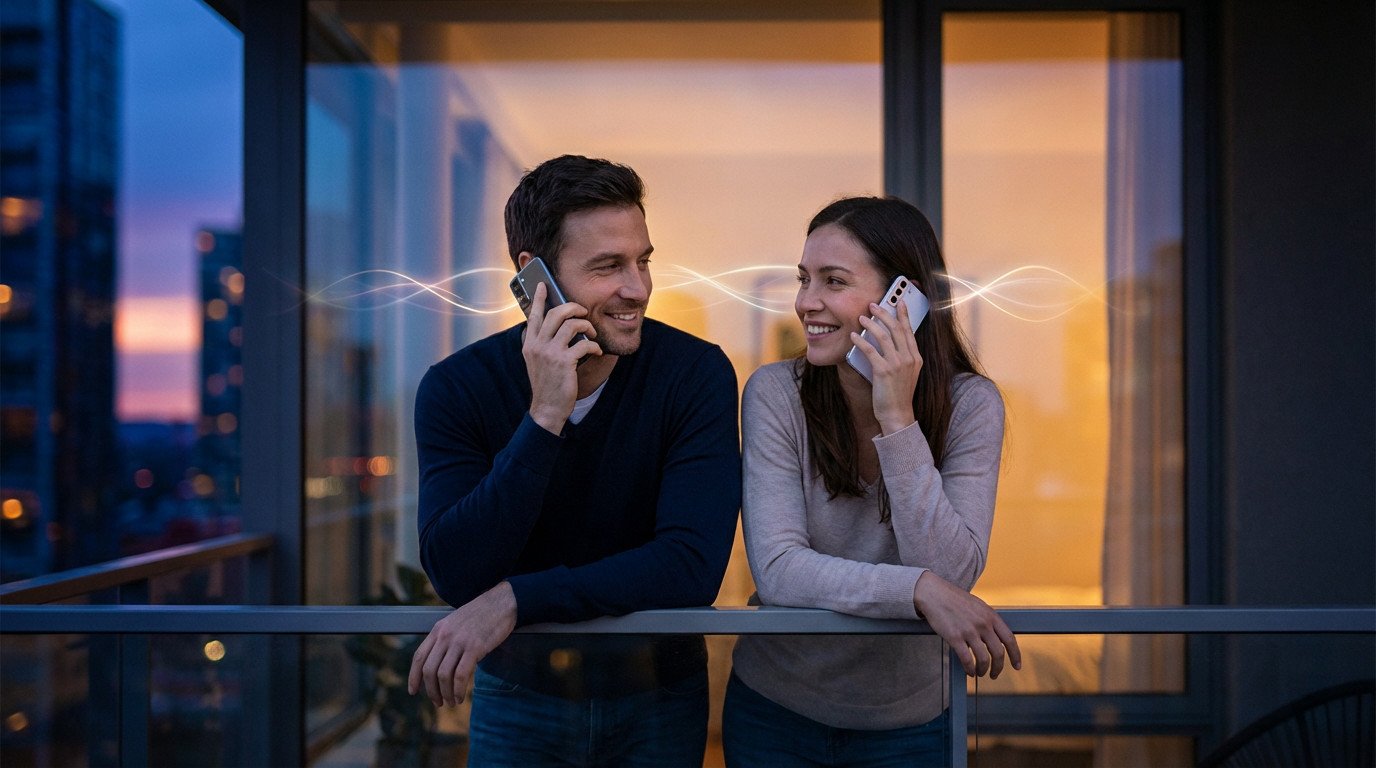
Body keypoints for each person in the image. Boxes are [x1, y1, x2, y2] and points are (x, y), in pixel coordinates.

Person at [407, 155, 741, 766]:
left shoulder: (694, 374)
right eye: (608, 266)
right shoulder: (457, 388)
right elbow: (456, 572)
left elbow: (690, 567)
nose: (637, 287)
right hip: (520, 699)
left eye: (643, 261)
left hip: (659, 695)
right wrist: (543, 419)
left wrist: (514, 599)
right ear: (535, 278)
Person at [723, 196, 1021, 767]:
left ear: (901, 301)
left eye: (833, 282)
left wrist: (897, 419)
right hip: (777, 710)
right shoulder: (775, 393)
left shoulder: (971, 405)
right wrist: (918, 591)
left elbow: (953, 569)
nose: (807, 303)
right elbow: (781, 570)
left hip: (909, 724)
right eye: (804, 279)